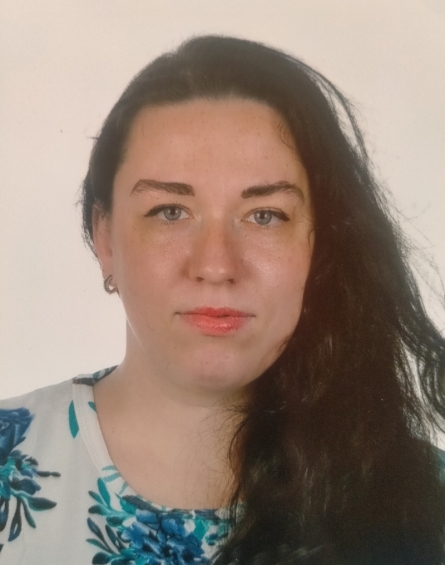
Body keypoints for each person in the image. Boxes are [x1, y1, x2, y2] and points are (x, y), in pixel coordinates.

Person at [1, 35, 445, 565]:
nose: (215, 265)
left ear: (320, 244)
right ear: (105, 238)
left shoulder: (426, 502)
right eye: (170, 212)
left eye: (265, 216)